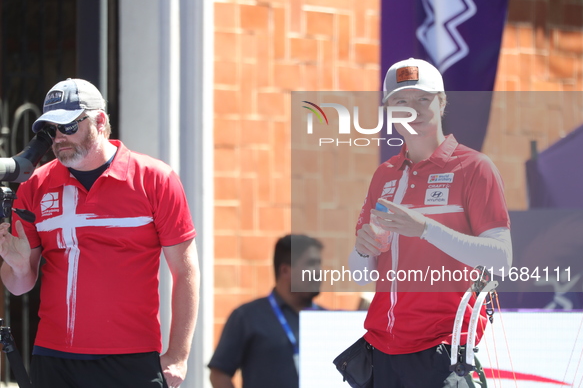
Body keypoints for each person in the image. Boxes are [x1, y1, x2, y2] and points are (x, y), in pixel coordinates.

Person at [0, 78, 200, 388]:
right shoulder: (35, 186)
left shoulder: (155, 179)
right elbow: (19, 286)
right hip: (54, 360)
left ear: (101, 120)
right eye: (52, 129)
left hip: (132, 360)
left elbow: (185, 272)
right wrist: (16, 264)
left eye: (69, 126)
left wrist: (178, 355)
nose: (59, 138)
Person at [349, 58, 512, 387]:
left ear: (441, 102)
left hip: (443, 350)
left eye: (422, 99)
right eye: (400, 101)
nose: (412, 110)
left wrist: (425, 228)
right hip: (382, 349)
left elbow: (501, 259)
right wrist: (363, 250)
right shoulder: (384, 175)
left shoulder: (474, 168)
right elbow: (358, 273)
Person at [208, 234, 323, 388]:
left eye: (319, 264)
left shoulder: (327, 320)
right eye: (311, 264)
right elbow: (219, 374)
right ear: (285, 271)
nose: (318, 272)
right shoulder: (247, 317)